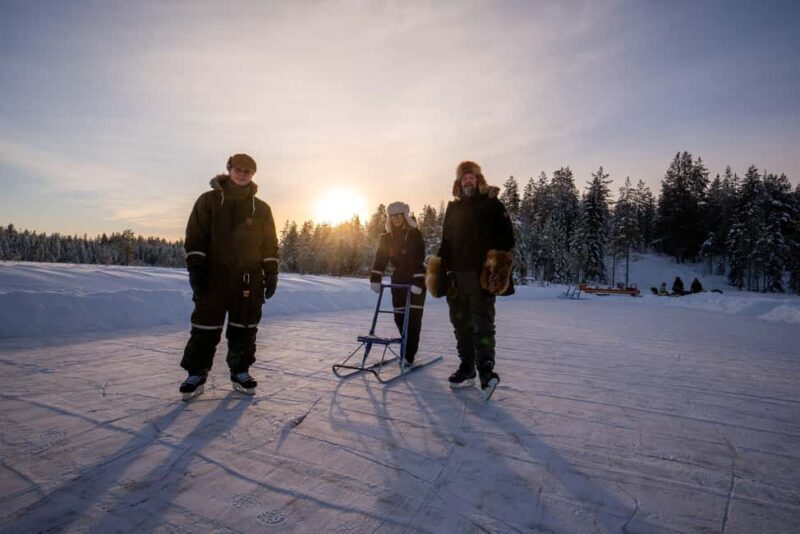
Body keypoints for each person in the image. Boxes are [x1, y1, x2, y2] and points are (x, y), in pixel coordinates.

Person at [179, 153, 279, 400]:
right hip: (213, 277)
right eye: (238, 169)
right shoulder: (209, 201)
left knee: (244, 327)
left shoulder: (261, 209)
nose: (243, 173)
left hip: (248, 279)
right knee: (205, 326)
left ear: (253, 174)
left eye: (248, 170)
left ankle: (240, 372)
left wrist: (271, 271)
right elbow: (195, 238)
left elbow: (269, 245)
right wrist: (196, 270)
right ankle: (197, 373)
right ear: (229, 169)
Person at [426, 161, 515, 394]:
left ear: (478, 180)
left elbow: (508, 239)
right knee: (460, 325)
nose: (468, 181)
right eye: (464, 177)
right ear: (459, 182)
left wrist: (496, 266)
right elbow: (446, 242)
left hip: (480, 278)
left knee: (483, 325)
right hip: (456, 277)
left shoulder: (492, 204)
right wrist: (441, 270)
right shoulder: (454, 208)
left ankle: (486, 370)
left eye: (471, 177)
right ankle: (466, 368)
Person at [369, 202, 426, 368]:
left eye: (400, 215)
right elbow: (381, 258)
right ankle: (406, 346)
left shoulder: (414, 234)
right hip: (398, 280)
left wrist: (417, 279)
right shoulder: (386, 238)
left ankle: (409, 355)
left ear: (405, 216)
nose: (396, 219)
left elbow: (418, 257)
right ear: (389, 218)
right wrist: (376, 277)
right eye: (393, 215)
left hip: (416, 279)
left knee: (413, 319)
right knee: (399, 316)